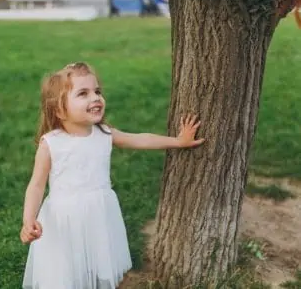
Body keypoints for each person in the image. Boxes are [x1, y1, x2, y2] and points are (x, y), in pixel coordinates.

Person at [20, 62, 205, 289]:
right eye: (83, 93)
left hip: (99, 214)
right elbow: (36, 185)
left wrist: (178, 141)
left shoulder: (104, 134)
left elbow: (140, 139)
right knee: (66, 271)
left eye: (97, 91)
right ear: (59, 110)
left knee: (98, 262)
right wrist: (28, 219)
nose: (95, 98)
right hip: (64, 220)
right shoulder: (51, 143)